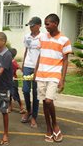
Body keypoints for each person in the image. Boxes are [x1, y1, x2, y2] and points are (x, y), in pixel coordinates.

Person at [34, 14, 71, 143]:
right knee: (44, 101)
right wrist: (35, 70)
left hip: (54, 74)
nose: (46, 26)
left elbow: (65, 61)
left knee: (49, 101)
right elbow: (40, 54)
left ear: (55, 23)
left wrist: (63, 78)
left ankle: (55, 124)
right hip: (41, 74)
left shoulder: (64, 40)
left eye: (48, 24)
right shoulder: (42, 37)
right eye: (45, 24)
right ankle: (49, 129)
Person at [21, 17, 43, 128]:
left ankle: (34, 116)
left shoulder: (43, 37)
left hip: (38, 68)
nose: (30, 27)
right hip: (27, 66)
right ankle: (28, 111)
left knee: (36, 93)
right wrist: (23, 63)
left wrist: (38, 68)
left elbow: (42, 53)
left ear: (39, 25)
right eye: (29, 25)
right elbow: (26, 50)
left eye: (32, 25)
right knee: (25, 90)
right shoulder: (27, 36)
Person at [9, 48, 26, 114]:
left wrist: (24, 73)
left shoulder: (13, 62)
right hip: (8, 80)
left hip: (13, 80)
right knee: (9, 94)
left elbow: (19, 67)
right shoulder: (8, 61)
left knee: (15, 93)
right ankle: (10, 106)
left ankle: (21, 106)